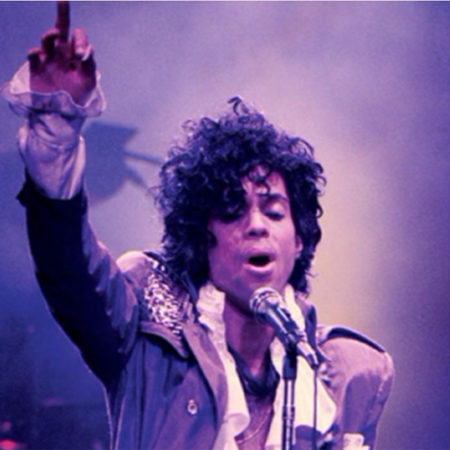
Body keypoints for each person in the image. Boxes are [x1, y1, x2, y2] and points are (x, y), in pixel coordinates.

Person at [2, 3, 393, 449]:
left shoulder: (344, 375)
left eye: (273, 211)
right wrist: (56, 129)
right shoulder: (147, 323)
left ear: (299, 240)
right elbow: (68, 265)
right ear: (201, 238)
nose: (256, 226)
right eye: (232, 211)